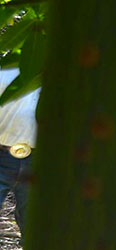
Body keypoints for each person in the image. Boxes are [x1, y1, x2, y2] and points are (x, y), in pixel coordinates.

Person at [0, 66, 38, 239]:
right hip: (2, 156)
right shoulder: (4, 72)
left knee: (36, 226)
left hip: (38, 161)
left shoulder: (58, 75)